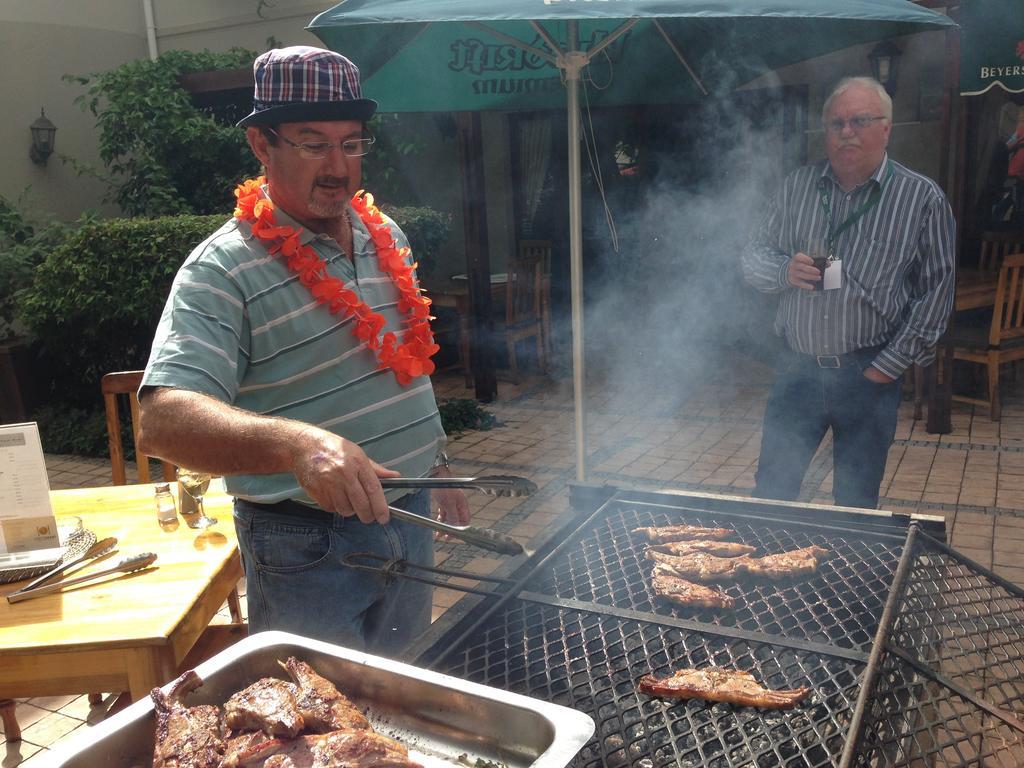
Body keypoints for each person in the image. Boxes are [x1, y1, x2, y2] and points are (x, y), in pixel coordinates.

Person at [137, 46, 469, 655]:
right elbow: (160, 421)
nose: (338, 167)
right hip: (305, 545)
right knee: (320, 727)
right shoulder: (222, 269)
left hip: (409, 517)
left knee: (404, 695)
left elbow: (404, 366)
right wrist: (297, 444)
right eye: (314, 144)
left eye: (351, 143)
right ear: (262, 146)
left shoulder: (383, 234)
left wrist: (436, 458)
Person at [741, 76, 955, 509]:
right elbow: (752, 256)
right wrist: (785, 270)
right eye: (836, 123)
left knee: (855, 506)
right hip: (797, 373)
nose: (846, 132)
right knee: (772, 494)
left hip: (867, 374)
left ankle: (849, 576)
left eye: (859, 120)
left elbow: (935, 296)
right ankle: (765, 573)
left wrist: (885, 368)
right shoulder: (798, 186)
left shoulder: (921, 199)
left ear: (886, 128)